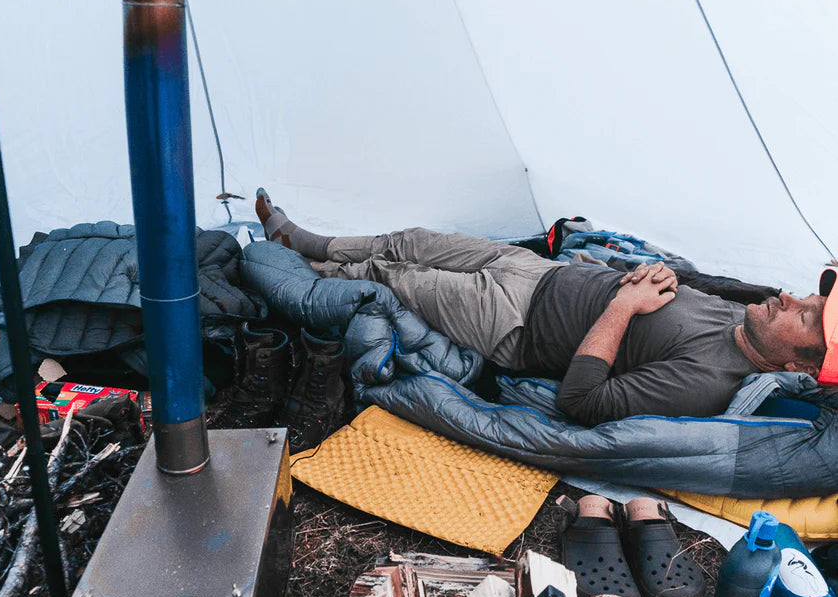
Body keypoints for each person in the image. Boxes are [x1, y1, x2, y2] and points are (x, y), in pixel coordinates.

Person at [255, 189, 835, 426]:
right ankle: (308, 243)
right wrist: (645, 276)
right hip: (540, 273)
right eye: (808, 298)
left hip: (514, 322)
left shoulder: (705, 382)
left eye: (805, 316)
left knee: (396, 276)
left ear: (798, 366)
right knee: (415, 240)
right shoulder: (744, 314)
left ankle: (300, 271)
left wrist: (624, 306)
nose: (788, 299)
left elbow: (582, 402)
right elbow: (661, 295)